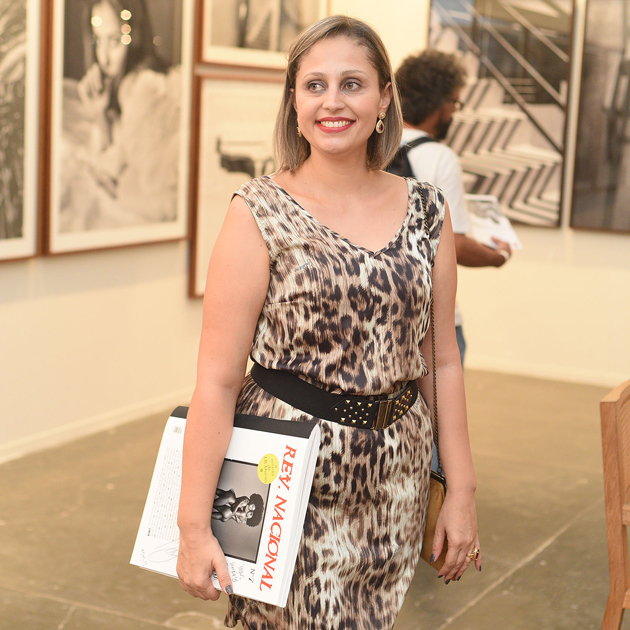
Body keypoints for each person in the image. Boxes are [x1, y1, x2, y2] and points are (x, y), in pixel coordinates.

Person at [176, 15, 480, 629]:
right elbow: (217, 379)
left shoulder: (428, 211)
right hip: (286, 473)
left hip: (397, 475)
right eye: (314, 85)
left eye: (352, 84)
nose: (332, 102)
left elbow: (442, 360)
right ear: (294, 101)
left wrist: (461, 490)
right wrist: (191, 525)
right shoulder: (259, 210)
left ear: (384, 98)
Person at [395, 49, 513, 365]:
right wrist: (497, 256)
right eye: (455, 103)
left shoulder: (368, 148)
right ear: (439, 104)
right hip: (430, 316)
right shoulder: (439, 158)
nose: (454, 112)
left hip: (380, 312)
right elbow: (455, 245)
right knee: (440, 394)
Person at [60, 0, 180, 230]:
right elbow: (118, 159)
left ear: (135, 38)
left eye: (115, 41)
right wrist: (99, 113)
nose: (103, 58)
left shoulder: (144, 89)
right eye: (98, 41)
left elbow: (142, 193)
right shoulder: (122, 88)